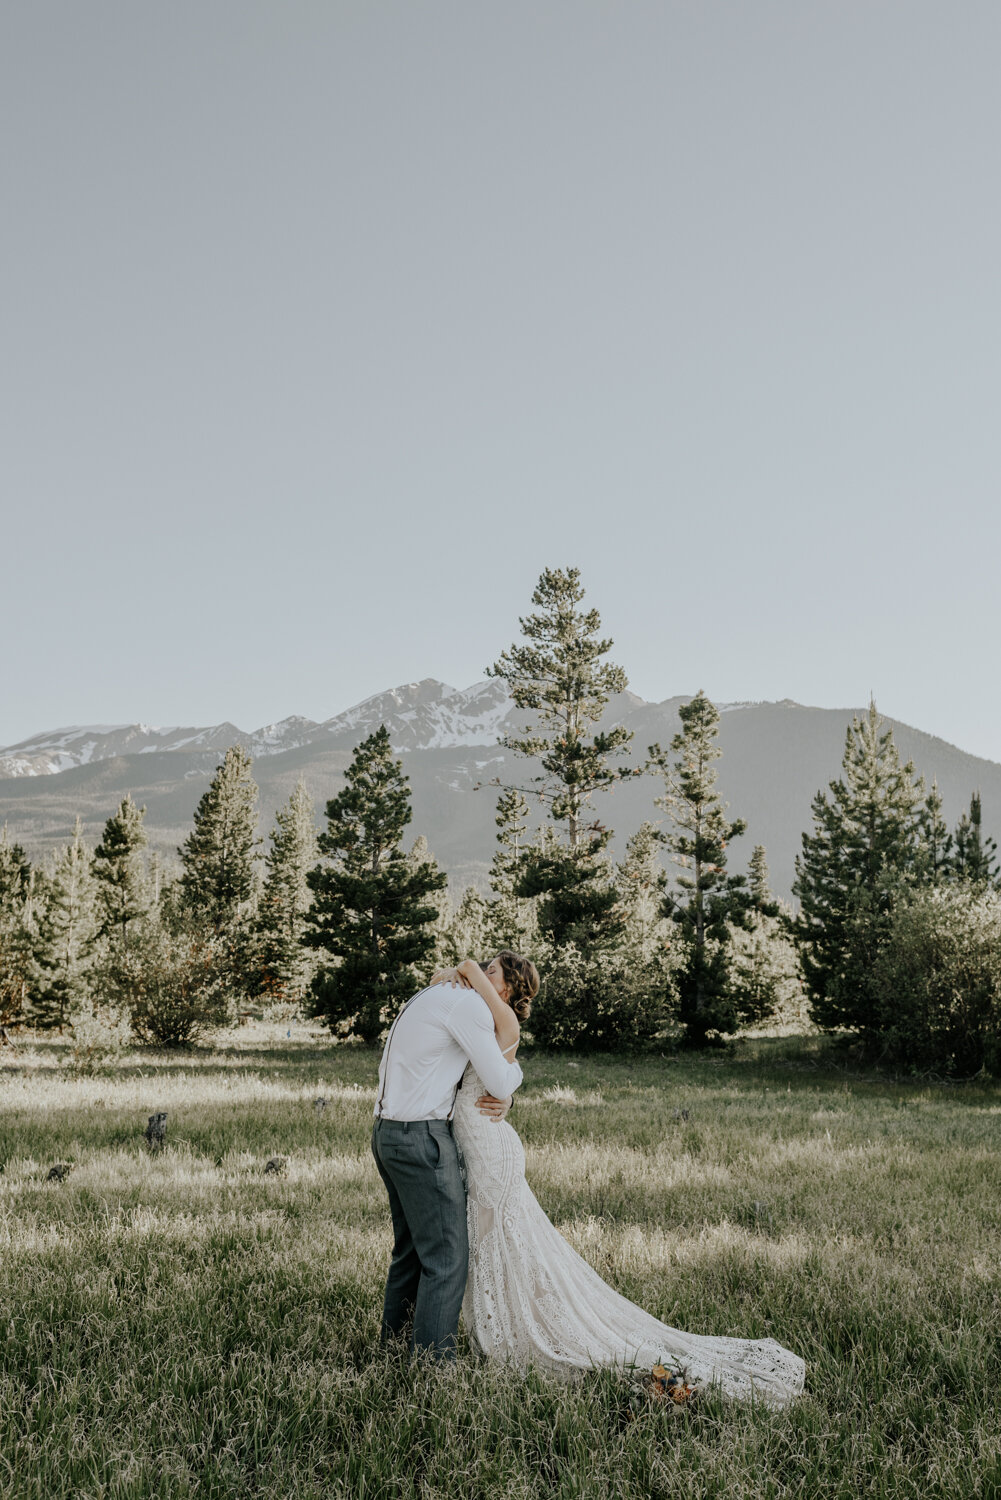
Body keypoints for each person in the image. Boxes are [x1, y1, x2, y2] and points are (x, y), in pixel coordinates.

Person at [434, 952, 806, 1407]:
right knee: (509, 1248)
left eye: (495, 972)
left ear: (508, 987)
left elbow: (467, 970)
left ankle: (525, 1331)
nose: (484, 974)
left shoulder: (500, 1016)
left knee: (499, 1245)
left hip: (490, 1151)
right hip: (487, 1142)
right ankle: (520, 1318)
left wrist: (467, 970)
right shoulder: (484, 1014)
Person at [370, 967, 523, 1360]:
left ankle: (395, 1346)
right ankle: (433, 1364)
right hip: (422, 1139)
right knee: (447, 1257)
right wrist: (511, 1084)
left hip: (387, 1133)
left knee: (411, 1251)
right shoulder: (468, 1005)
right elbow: (501, 1081)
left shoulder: (434, 994)